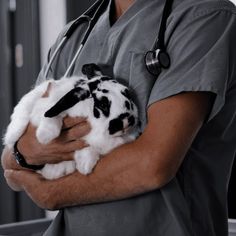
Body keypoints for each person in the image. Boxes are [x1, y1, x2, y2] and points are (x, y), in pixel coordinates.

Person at [1, 0, 236, 235]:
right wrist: (25, 152)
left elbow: (152, 164)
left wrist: (50, 193)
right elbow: (10, 163)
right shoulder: (75, 34)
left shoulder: (204, 16)